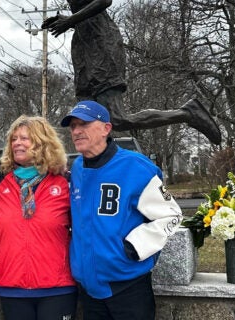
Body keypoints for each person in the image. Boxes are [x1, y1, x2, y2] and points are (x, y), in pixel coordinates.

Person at [42, 0, 221, 145]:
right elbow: (87, 3)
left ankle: (187, 113)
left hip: (101, 42)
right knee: (85, 114)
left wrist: (71, 20)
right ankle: (100, 163)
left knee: (116, 118)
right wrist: (67, 19)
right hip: (83, 44)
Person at [61, 100, 182, 320]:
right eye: (73, 126)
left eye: (84, 124)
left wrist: (135, 247)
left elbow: (171, 214)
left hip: (128, 287)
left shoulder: (137, 167)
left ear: (106, 128)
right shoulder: (77, 168)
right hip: (88, 290)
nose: (77, 131)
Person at [0, 115, 77, 320]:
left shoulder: (65, 184)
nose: (17, 143)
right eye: (14, 139)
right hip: (13, 287)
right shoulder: (0, 186)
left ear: (42, 143)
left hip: (57, 287)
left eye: (25, 138)